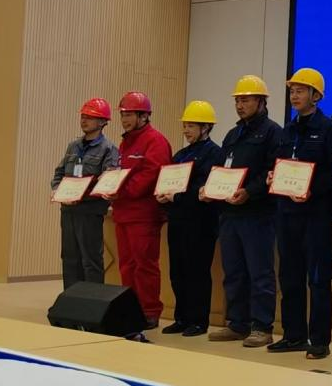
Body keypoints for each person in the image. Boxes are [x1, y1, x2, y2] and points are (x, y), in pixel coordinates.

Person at [267, 68, 332, 359]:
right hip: (286, 213)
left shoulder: (330, 129)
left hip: (315, 214)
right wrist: (273, 177)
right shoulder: (288, 130)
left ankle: (319, 340)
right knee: (289, 276)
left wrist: (312, 188)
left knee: (318, 279)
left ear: (316, 95)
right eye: (292, 91)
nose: (294, 95)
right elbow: (281, 164)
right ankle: (293, 335)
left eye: (300, 90)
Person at [204, 75, 283, 348]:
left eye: (246, 100)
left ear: (261, 102)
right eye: (237, 100)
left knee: (260, 273)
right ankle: (237, 324)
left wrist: (249, 191)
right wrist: (210, 188)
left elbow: (272, 171)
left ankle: (262, 327)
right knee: (234, 271)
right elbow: (222, 170)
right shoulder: (232, 134)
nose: (240, 105)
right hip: (229, 213)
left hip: (258, 213)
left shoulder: (273, 132)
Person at [106, 91, 172, 330]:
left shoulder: (155, 141)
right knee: (126, 265)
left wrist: (121, 191)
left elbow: (151, 174)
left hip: (144, 214)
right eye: (123, 114)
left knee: (145, 265)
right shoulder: (126, 142)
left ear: (144, 116)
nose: (124, 119)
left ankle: (149, 311)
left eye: (129, 114)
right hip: (123, 213)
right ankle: (130, 310)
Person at [157, 100, 221, 337]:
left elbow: (204, 187)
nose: (186, 130)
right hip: (177, 220)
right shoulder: (180, 155)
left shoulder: (215, 153)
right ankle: (181, 318)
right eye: (185, 125)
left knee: (197, 272)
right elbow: (167, 181)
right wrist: (162, 195)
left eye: (191, 126)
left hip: (201, 222)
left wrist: (176, 196)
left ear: (206, 127)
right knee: (177, 271)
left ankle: (199, 320)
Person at [51, 98, 119, 290]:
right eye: (83, 116)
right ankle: (71, 300)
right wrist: (57, 190)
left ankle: (92, 302)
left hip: (90, 211)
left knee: (91, 259)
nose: (84, 120)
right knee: (69, 258)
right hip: (68, 210)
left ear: (103, 122)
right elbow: (59, 173)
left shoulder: (109, 149)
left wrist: (84, 193)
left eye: (90, 117)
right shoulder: (73, 146)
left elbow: (108, 181)